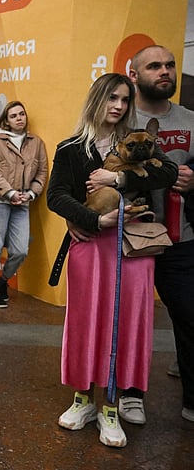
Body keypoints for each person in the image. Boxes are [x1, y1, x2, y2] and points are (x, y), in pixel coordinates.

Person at [47, 72, 176, 448]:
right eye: (111, 98)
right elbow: (57, 195)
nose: (118, 106)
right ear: (96, 100)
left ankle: (112, 406)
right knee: (86, 322)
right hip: (90, 243)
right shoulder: (71, 147)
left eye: (124, 99)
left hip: (133, 248)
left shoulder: (139, 140)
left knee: (126, 323)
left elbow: (166, 173)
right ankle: (83, 398)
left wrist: (115, 181)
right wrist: (91, 218)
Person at [129, 44, 194, 424]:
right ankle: (130, 394)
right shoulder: (121, 116)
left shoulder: (189, 120)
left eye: (169, 65)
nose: (164, 71)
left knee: (188, 316)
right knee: (132, 319)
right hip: (132, 240)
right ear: (135, 75)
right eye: (153, 66)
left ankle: (192, 398)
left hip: (181, 238)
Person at [0, 101, 48, 308]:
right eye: (13, 116)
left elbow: (42, 173)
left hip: (23, 202)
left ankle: (3, 281)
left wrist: (31, 193)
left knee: (20, 249)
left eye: (21, 114)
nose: (19, 118)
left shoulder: (36, 143)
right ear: (6, 121)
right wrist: (9, 192)